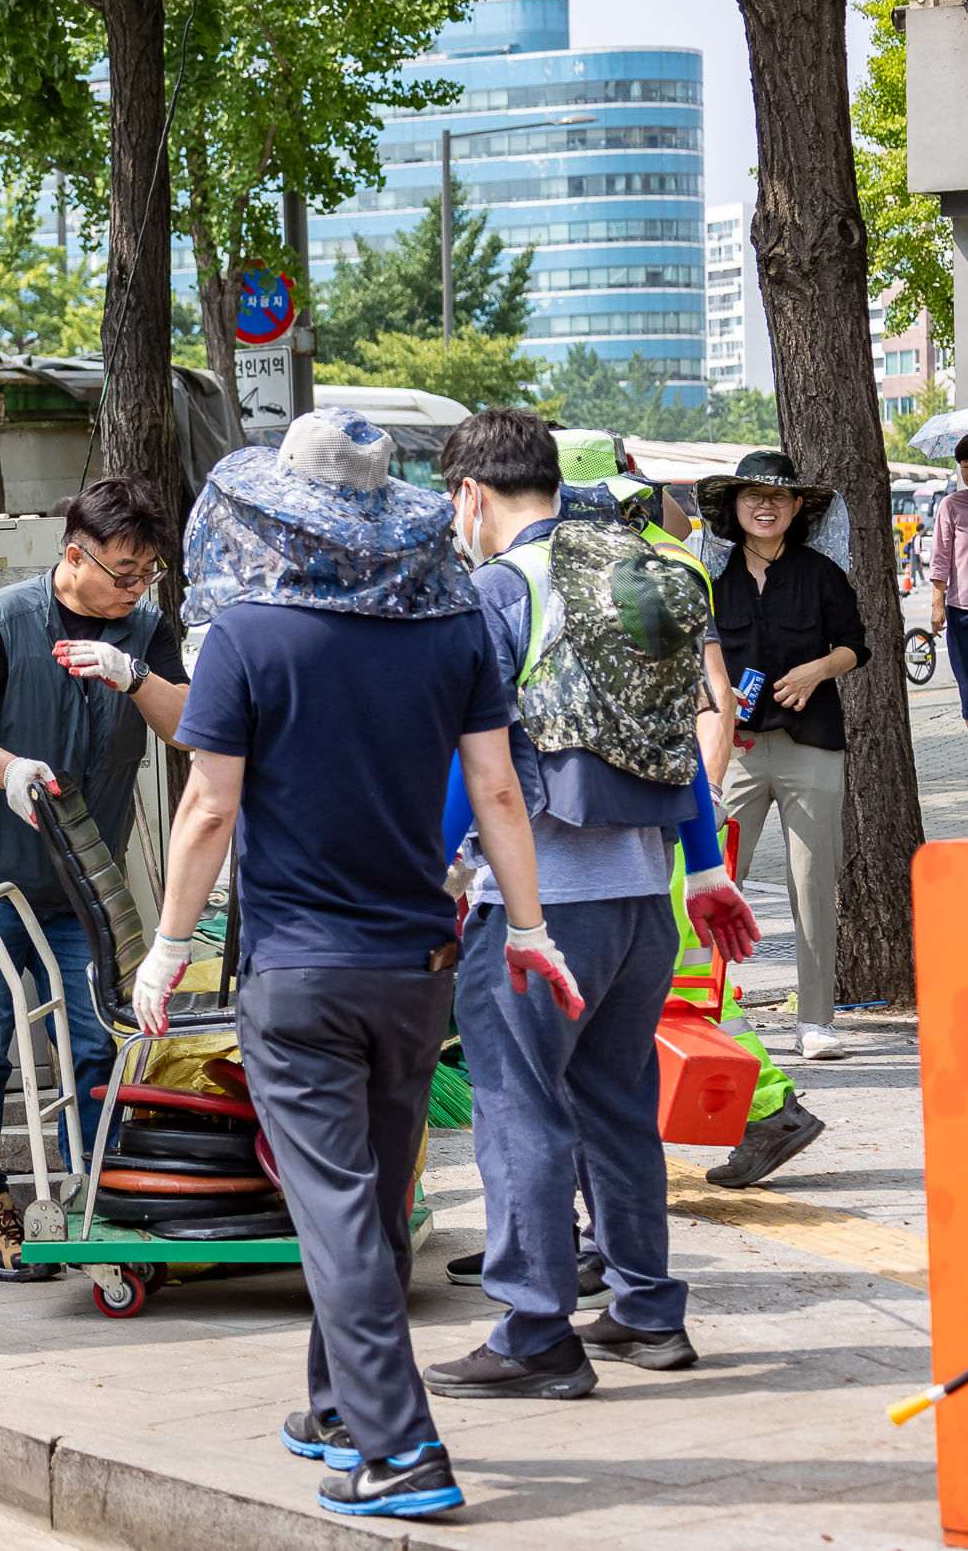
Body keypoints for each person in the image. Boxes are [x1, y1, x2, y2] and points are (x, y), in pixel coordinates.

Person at [134, 408, 577, 1521]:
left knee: (332, 1206)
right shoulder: (452, 630)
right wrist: (528, 929)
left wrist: (167, 945)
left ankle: (399, 1450)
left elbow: (206, 808)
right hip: (416, 964)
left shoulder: (245, 634)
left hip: (299, 970)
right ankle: (338, 1405)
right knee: (371, 1196)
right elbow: (497, 792)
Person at [420, 409, 759, 1402]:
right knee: (614, 1106)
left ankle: (534, 1328)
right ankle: (648, 1310)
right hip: (640, 901)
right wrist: (703, 868)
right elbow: (686, 731)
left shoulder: (493, 590)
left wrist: (433, 880)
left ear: (470, 493)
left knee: (519, 1109)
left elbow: (474, 765)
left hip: (538, 913)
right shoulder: (644, 569)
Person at [0, 478, 191, 1281]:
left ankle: (99, 1194)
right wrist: (7, 771)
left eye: (147, 572)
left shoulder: (146, 629)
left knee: (94, 1038)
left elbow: (190, 726)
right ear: (73, 555)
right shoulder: (0, 622)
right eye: (121, 570)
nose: (135, 586)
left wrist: (133, 675)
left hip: (83, 883)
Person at [546, 433, 822, 1188]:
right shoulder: (674, 564)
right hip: (661, 813)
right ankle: (764, 1107)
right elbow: (718, 703)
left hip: (609, 821)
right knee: (681, 981)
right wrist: (687, 801)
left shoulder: (552, 574)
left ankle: (756, 1110)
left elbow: (716, 702)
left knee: (651, 983)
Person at [698, 450, 869, 1061]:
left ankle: (817, 1021)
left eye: (777, 497)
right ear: (733, 508)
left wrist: (819, 669)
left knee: (812, 884)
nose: (764, 506)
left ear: (798, 507)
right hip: (734, 753)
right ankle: (704, 1014)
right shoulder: (709, 579)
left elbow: (856, 645)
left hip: (812, 747)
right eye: (752, 497)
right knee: (710, 880)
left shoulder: (822, 574)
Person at [930, 457, 968, 725]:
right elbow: (941, 558)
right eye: (965, 466)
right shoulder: (951, 505)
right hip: (961, 613)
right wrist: (937, 605)